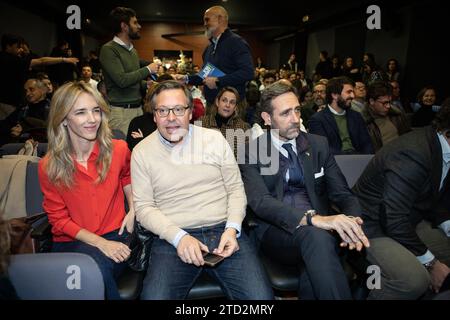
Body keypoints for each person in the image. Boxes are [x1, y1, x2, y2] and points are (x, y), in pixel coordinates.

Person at [131, 80, 273, 300]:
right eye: (163, 110)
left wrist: (233, 229)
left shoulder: (214, 139)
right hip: (173, 237)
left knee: (261, 300)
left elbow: (236, 188)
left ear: (190, 112)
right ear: (154, 115)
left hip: (224, 231)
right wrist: (179, 238)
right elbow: (144, 208)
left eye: (178, 109)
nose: (171, 117)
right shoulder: (142, 152)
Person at [239, 82, 370, 299]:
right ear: (267, 118)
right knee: (317, 238)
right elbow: (261, 202)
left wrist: (352, 223)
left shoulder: (318, 145)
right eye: (285, 113)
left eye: (297, 110)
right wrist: (313, 219)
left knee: (315, 261)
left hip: (321, 234)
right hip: (276, 233)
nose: (295, 119)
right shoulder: (251, 151)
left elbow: (343, 194)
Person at [38, 82, 135, 300]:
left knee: (93, 272)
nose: (92, 119)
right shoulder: (49, 165)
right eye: (81, 112)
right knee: (90, 270)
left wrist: (134, 207)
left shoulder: (118, 149)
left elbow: (127, 175)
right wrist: (101, 243)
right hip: (71, 242)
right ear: (63, 119)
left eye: (96, 110)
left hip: (115, 235)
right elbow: (58, 220)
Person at [353, 100, 450, 299]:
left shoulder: (441, 148)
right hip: (370, 226)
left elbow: (438, 202)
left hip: (408, 218)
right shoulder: (413, 153)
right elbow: (393, 218)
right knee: (412, 281)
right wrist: (432, 264)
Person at [176, 6, 254, 114]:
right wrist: (186, 79)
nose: (204, 24)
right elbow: (205, 75)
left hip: (231, 108)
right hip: (211, 105)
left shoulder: (237, 43)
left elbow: (248, 73)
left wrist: (218, 81)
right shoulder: (209, 48)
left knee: (232, 132)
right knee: (208, 131)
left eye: (207, 19)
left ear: (220, 19)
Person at [100, 7, 159, 135]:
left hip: (137, 109)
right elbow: (122, 80)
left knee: (136, 150)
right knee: (122, 152)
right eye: (135, 22)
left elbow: (132, 80)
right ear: (124, 26)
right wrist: (148, 69)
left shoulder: (133, 50)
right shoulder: (109, 50)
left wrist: (145, 84)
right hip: (121, 113)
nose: (139, 26)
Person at [308, 76, 374, 155]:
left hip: (359, 160)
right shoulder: (317, 120)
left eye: (352, 92)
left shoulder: (356, 116)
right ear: (335, 95)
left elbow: (367, 143)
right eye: (349, 92)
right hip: (335, 162)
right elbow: (323, 149)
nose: (353, 96)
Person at [199, 86, 250, 159]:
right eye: (224, 100)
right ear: (217, 102)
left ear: (235, 107)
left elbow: (245, 159)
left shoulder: (243, 127)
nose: (227, 105)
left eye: (232, 102)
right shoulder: (202, 122)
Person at [362, 81, 410, 152]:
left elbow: (408, 138)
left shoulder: (397, 115)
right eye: (384, 103)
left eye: (389, 102)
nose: (388, 106)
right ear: (372, 101)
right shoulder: (363, 122)